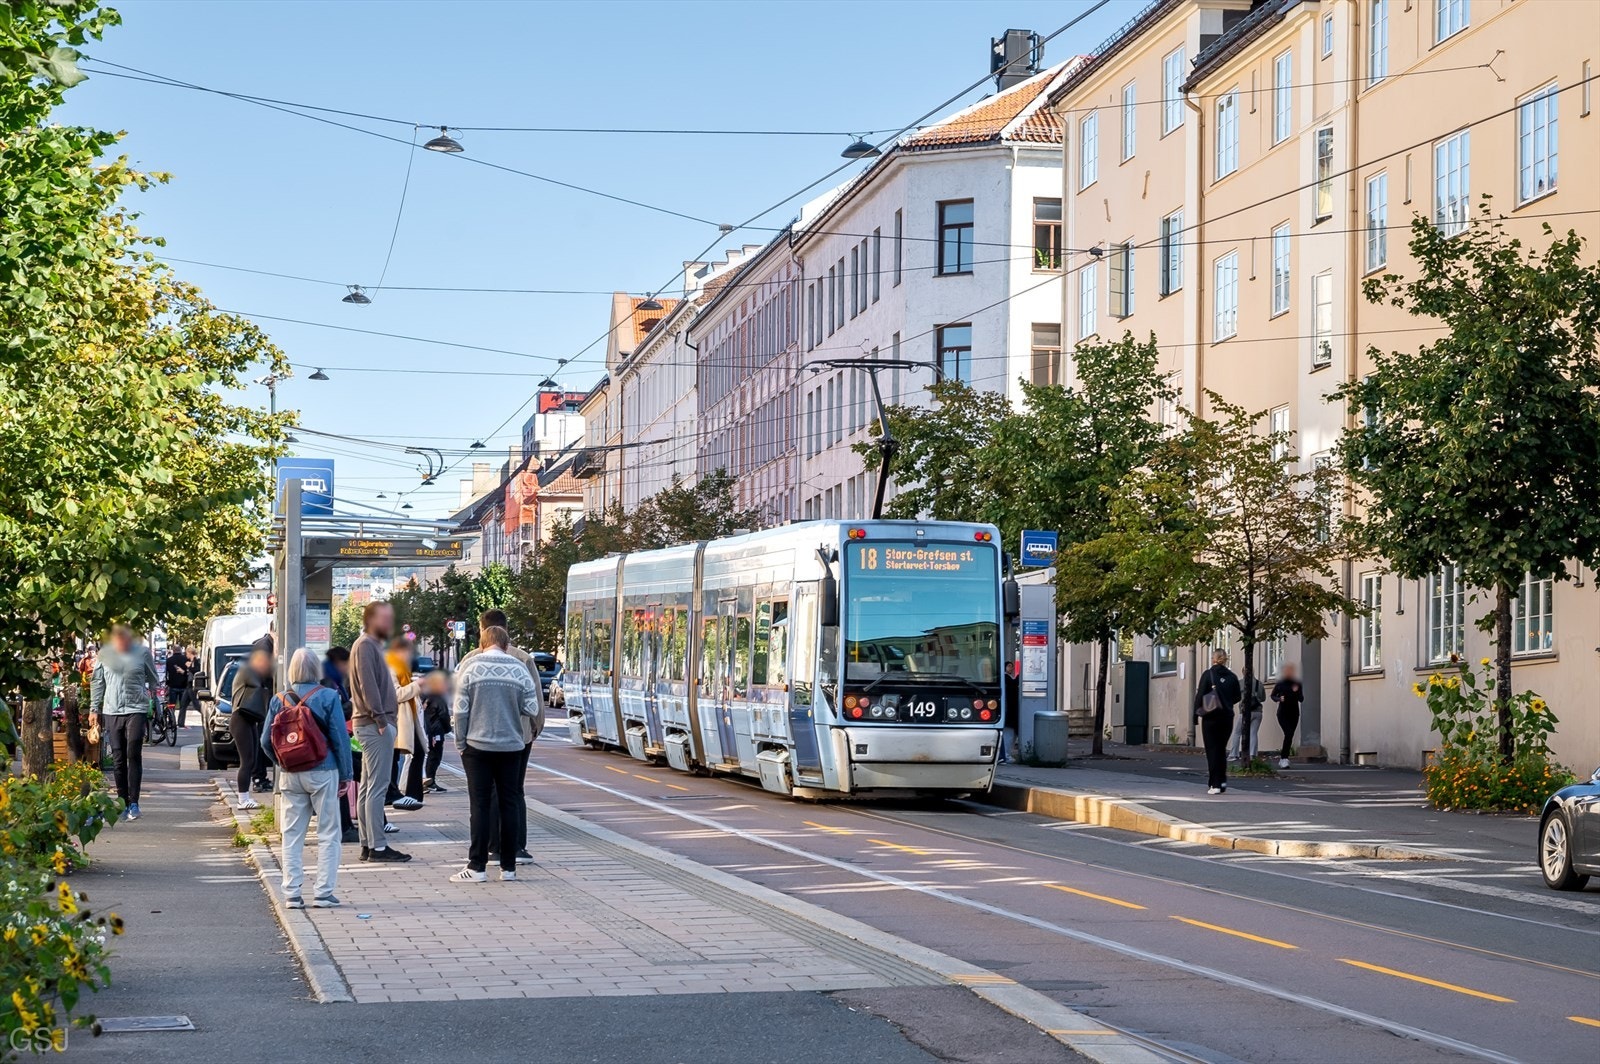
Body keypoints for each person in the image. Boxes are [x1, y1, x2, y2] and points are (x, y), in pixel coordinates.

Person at [261, 648, 353, 909]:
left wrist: (282, 762)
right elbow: (340, 738)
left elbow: (265, 741)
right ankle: (323, 892)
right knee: (328, 832)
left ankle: (291, 893)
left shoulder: (279, 699)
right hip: (324, 771)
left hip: (291, 774)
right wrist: (346, 775)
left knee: (291, 834)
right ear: (317, 669)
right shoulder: (327, 696)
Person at [450, 626, 541, 883]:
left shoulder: (470, 667)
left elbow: (460, 710)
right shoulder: (518, 668)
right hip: (512, 746)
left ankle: (477, 866)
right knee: (509, 803)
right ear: (506, 643)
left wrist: (460, 742)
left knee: (479, 805)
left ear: (483, 643)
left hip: (476, 746)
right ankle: (508, 867)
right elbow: (531, 707)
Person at [350, 602, 411, 863]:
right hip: (375, 724)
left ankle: (368, 843)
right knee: (377, 787)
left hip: (373, 722)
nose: (389, 623)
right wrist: (380, 718)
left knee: (368, 786)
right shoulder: (365, 645)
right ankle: (377, 846)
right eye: (385, 618)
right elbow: (368, 685)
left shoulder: (370, 645)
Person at [88, 625, 159, 820]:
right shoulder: (105, 655)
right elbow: (97, 682)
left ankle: (134, 802)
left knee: (133, 751)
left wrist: (155, 701)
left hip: (137, 708)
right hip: (112, 709)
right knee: (118, 757)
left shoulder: (143, 653)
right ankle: (123, 801)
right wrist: (94, 709)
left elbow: (153, 679)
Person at [322, 647, 361, 844]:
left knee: (349, 777)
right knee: (348, 778)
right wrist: (353, 703)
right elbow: (334, 713)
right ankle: (345, 827)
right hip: (333, 743)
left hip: (334, 741)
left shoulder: (333, 680)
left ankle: (347, 825)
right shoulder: (330, 682)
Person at [230, 647, 275, 809]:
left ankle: (245, 797)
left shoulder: (250, 671)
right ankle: (243, 799)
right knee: (247, 760)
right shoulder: (247, 671)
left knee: (252, 759)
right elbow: (259, 686)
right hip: (240, 719)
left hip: (248, 719)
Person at [1193, 649, 1241, 795]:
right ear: (1225, 659)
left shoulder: (1208, 675)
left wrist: (1195, 715)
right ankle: (1222, 781)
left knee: (1212, 750)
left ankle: (1215, 783)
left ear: (1213, 659)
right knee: (1221, 749)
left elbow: (1200, 695)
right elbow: (1237, 697)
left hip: (1210, 717)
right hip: (1227, 717)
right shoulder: (1232, 677)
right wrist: (1226, 702)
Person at [387, 637, 426, 809]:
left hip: (407, 718)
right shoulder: (391, 667)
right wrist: (417, 685)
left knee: (417, 751)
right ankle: (396, 793)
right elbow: (396, 695)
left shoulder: (403, 669)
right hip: (398, 719)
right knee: (395, 757)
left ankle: (409, 793)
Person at [420, 670, 452, 793]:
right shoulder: (438, 698)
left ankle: (428, 780)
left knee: (430, 756)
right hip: (436, 731)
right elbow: (443, 715)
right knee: (435, 756)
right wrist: (447, 729)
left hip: (429, 729)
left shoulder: (426, 696)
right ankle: (430, 780)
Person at [1271, 663, 1305, 770]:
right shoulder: (1280, 684)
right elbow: (1273, 695)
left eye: (1291, 670)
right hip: (1282, 713)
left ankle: (1284, 758)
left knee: (1289, 736)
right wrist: (1279, 699)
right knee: (1288, 733)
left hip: (1294, 713)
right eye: (1287, 670)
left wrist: (1297, 692)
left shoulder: (1297, 683)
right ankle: (1284, 758)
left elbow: (1301, 699)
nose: (1289, 672)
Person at [1231, 674, 1266, 764]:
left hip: (1245, 712)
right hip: (1258, 711)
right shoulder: (1259, 683)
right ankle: (1253, 754)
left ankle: (1234, 754)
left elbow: (1236, 696)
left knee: (1237, 733)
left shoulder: (1241, 683)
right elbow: (1263, 698)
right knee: (1253, 733)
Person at [164, 644, 198, 729]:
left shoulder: (169, 660)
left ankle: (172, 722)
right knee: (183, 705)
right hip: (184, 685)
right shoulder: (185, 659)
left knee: (172, 705)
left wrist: (167, 682)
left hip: (173, 685)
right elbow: (189, 672)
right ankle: (180, 723)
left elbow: (166, 673)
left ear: (173, 650)